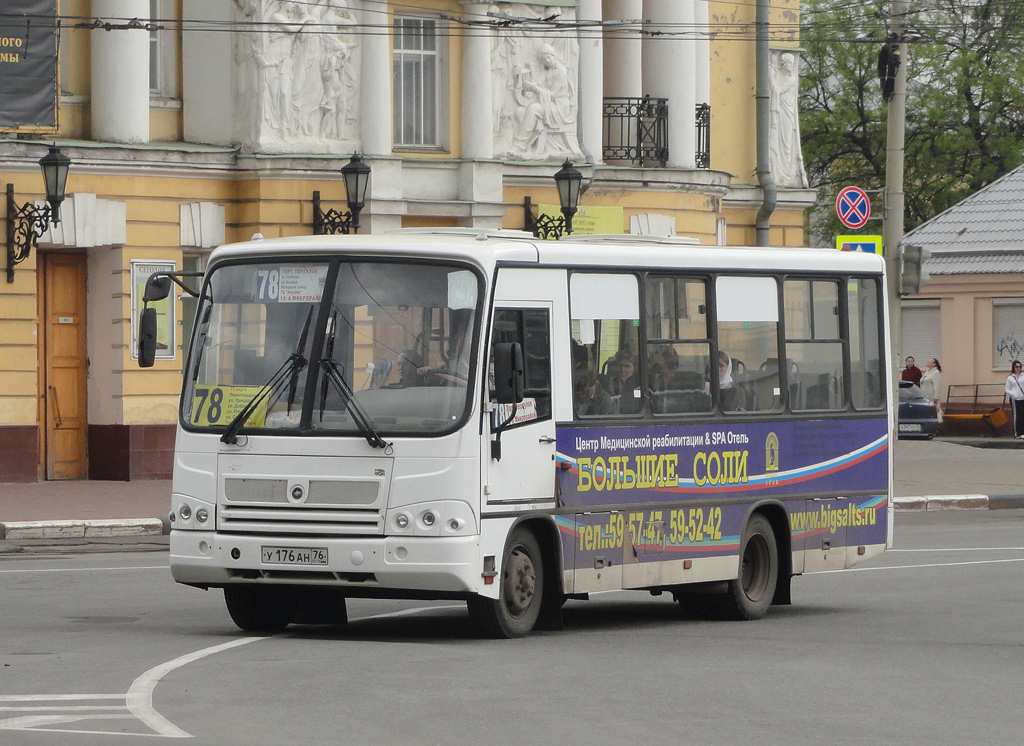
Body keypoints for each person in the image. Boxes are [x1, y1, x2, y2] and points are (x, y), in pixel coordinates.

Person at [610, 348, 642, 413]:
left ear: (634, 368)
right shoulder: (607, 382)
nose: (622, 370)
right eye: (620, 365)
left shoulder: (638, 386)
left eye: (627, 366)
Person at [1005, 360, 1024, 438]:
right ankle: (1017, 433)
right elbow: (1006, 389)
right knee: (1017, 415)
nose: (1018, 368)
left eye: (1020, 366)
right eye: (1016, 366)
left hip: (1023, 398)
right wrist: (1014, 394)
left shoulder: (1023, 376)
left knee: (1023, 415)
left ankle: (1022, 432)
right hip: (1015, 399)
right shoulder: (1010, 378)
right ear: (1013, 367)